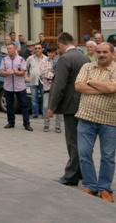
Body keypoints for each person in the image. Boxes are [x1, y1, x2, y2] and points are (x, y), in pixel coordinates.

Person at [74, 42, 116, 202]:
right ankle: (91, 186)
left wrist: (90, 82)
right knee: (84, 153)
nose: (101, 55)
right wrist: (104, 88)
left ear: (112, 53)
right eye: (98, 52)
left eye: (105, 51)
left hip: (110, 119)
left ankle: (105, 189)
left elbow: (113, 89)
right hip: (86, 117)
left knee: (108, 155)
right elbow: (78, 86)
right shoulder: (87, 67)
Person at [48, 32, 90, 187]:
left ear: (60, 44)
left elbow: (60, 85)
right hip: (83, 103)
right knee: (83, 140)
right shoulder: (83, 57)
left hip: (71, 106)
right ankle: (81, 172)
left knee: (72, 141)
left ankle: (71, 176)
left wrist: (52, 106)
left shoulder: (65, 58)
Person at [0, 43, 32, 131]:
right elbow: (1, 72)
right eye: (7, 49)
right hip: (8, 86)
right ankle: (11, 122)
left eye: (10, 48)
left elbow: (23, 72)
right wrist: (7, 73)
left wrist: (15, 72)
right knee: (9, 105)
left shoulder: (21, 59)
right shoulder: (4, 59)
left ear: (15, 49)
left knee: (24, 105)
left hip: (20, 86)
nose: (8, 50)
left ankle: (26, 124)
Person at [41, 46, 63, 132]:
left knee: (59, 107)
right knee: (45, 106)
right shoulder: (44, 61)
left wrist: (52, 74)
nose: (50, 54)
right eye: (48, 52)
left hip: (58, 87)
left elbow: (63, 72)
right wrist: (54, 75)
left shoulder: (60, 60)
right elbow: (43, 73)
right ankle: (46, 123)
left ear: (55, 52)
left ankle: (58, 125)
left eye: (51, 52)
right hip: (47, 87)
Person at [25, 43, 46, 118]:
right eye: (36, 48)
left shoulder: (46, 58)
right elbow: (25, 68)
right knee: (34, 98)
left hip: (43, 82)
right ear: (34, 49)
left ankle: (44, 114)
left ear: (42, 49)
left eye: (39, 48)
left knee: (44, 98)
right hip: (33, 81)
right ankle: (35, 113)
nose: (37, 50)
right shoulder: (30, 58)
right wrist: (26, 76)